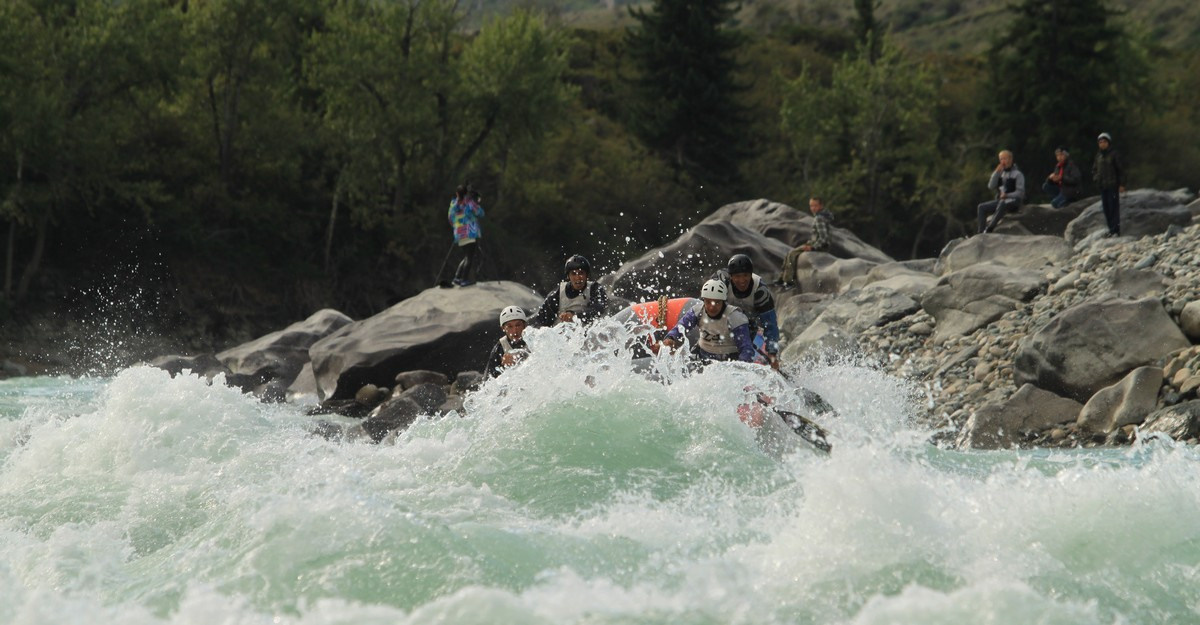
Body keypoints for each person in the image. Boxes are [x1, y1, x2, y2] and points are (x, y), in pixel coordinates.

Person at [660, 279, 756, 363]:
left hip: (729, 360)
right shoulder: (697, 311)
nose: (711, 307)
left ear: (723, 301)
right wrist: (671, 338)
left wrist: (739, 370)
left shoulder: (735, 316)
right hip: (703, 356)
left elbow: (746, 349)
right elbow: (681, 327)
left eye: (717, 302)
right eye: (708, 302)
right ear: (703, 300)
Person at [712, 254, 780, 365]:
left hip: (747, 327)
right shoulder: (720, 281)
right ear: (731, 276)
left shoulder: (760, 291)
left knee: (736, 355)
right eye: (737, 276)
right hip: (720, 321)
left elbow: (770, 325)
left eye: (745, 275)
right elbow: (706, 304)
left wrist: (772, 354)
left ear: (751, 275)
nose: (742, 280)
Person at [532, 254, 609, 327]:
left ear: (587, 275)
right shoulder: (557, 294)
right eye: (573, 274)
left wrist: (574, 316)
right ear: (568, 276)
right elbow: (541, 322)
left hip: (586, 333)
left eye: (581, 273)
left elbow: (598, 310)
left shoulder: (595, 289)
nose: (578, 278)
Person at [777, 197, 834, 289]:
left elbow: (824, 238)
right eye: (811, 206)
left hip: (820, 246)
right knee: (791, 253)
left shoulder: (819, 218)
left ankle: (789, 281)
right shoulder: (822, 216)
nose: (813, 208)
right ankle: (782, 278)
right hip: (816, 244)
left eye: (815, 206)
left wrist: (812, 247)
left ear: (821, 206)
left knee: (792, 254)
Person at [977, 150, 1025, 234]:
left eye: (1005, 158)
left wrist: (1007, 195)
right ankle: (980, 232)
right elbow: (990, 186)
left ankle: (989, 229)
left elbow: (1020, 193)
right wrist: (996, 173)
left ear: (1010, 159)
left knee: (1002, 203)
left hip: (1013, 200)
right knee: (981, 207)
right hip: (1001, 200)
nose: (1002, 161)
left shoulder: (1018, 174)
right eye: (1001, 159)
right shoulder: (1000, 173)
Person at [447, 183, 484, 286]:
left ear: (457, 193)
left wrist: (457, 227)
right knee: (470, 257)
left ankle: (457, 277)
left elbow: (450, 218)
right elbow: (481, 213)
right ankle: (463, 279)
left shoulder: (453, 204)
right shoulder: (470, 204)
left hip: (459, 234)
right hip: (470, 233)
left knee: (467, 256)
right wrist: (476, 203)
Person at [1093, 132, 1126, 237]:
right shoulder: (1098, 156)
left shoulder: (1114, 154)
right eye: (1100, 142)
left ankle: (1115, 230)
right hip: (1103, 186)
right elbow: (1094, 170)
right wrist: (1096, 179)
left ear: (1108, 143)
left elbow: (1120, 170)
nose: (1102, 144)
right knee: (1106, 208)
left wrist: (1122, 184)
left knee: (1113, 208)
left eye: (1104, 142)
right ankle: (1110, 229)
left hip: (1113, 185)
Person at [485, 306, 530, 377]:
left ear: (524, 325)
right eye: (509, 326)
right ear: (503, 328)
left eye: (518, 325)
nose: (515, 331)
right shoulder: (499, 348)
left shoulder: (533, 338)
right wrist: (503, 367)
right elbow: (490, 380)